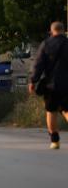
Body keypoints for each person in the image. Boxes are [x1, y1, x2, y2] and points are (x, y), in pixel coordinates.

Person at [28, 21, 68, 149]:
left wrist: (33, 81)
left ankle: (55, 141)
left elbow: (38, 64)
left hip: (51, 85)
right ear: (63, 30)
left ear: (51, 31)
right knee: (67, 110)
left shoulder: (46, 44)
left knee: (51, 111)